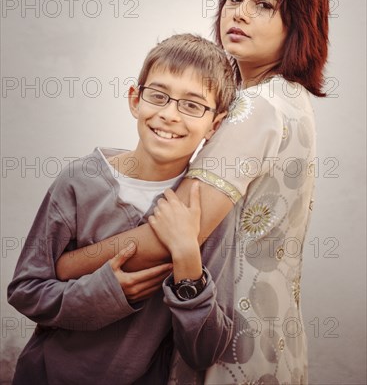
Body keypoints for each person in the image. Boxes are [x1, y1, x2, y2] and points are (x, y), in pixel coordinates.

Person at [54, 0, 330, 385]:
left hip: (226, 342)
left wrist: (69, 266)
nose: (238, 13)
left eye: (264, 5)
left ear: (297, 22)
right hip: (273, 336)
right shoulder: (291, 101)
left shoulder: (256, 107)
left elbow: (175, 229)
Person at [7, 33, 238, 384]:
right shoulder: (78, 182)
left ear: (215, 124)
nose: (169, 115)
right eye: (158, 96)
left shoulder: (208, 210)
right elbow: (26, 290)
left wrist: (189, 264)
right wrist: (104, 294)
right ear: (135, 99)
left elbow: (205, 350)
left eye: (192, 105)